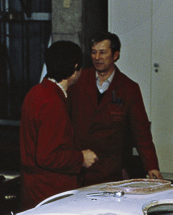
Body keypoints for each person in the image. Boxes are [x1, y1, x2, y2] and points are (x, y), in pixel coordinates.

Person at [69, 32, 162, 186]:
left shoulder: (129, 88)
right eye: (93, 52)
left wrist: (151, 166)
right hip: (78, 166)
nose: (97, 57)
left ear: (115, 55)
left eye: (103, 52)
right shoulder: (77, 81)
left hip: (108, 170)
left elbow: (142, 132)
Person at [20, 41, 97, 210]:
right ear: (75, 68)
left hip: (33, 193)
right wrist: (81, 158)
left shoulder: (36, 93)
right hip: (50, 196)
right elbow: (47, 156)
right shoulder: (52, 102)